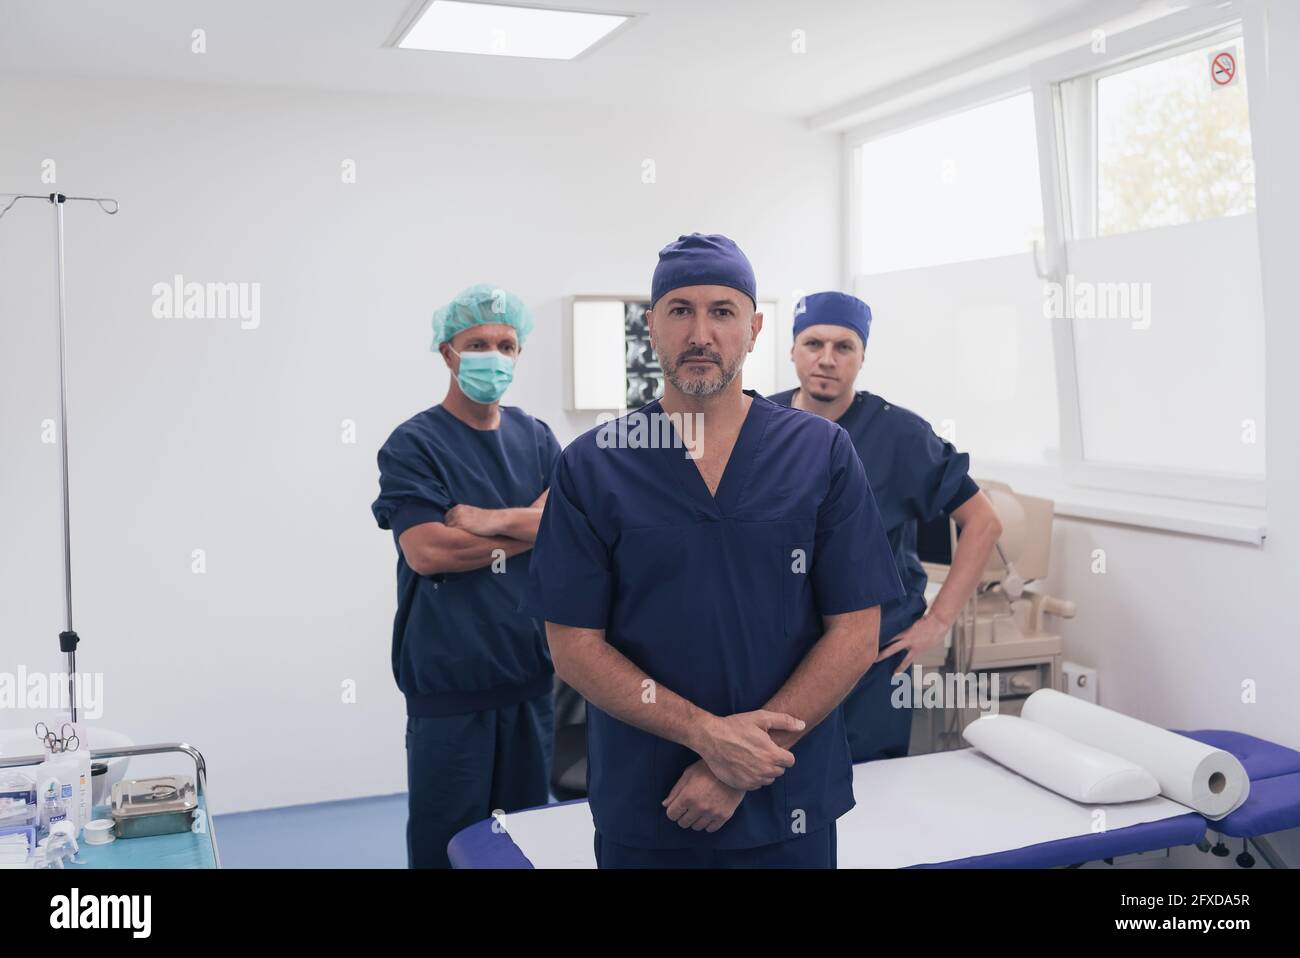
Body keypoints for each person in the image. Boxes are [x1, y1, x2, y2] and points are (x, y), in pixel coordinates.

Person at [524, 235, 903, 868]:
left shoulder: (821, 453)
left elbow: (856, 633)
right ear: (650, 327)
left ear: (754, 329)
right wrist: (707, 737)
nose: (701, 332)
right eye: (680, 310)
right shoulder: (594, 464)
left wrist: (735, 766)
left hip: (787, 794)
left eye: (723, 312)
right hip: (652, 801)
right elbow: (574, 645)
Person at [371, 283, 561, 868]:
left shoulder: (537, 438)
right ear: (447, 352)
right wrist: (529, 526)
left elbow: (572, 527)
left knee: (526, 843)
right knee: (448, 846)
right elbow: (429, 551)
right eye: (477, 342)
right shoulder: (415, 444)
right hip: (450, 688)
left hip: (529, 681)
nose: (494, 355)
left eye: (506, 343)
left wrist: (486, 520)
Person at [769, 291, 1003, 762]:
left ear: (862, 357)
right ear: (792, 350)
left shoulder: (901, 436)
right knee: (778, 779)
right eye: (813, 344)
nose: (827, 360)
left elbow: (984, 522)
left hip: (873, 662)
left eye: (844, 347)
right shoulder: (759, 425)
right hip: (782, 653)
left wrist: (937, 622)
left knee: (872, 797)